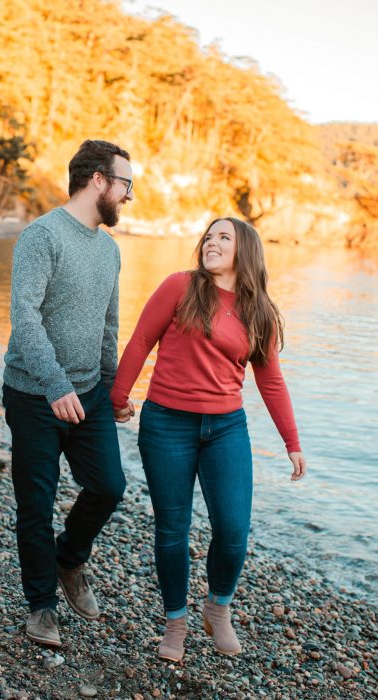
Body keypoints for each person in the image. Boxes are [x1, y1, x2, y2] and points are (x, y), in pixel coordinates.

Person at [110, 217, 307, 662]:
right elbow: (142, 340)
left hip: (226, 430)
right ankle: (175, 622)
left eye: (224, 237)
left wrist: (292, 442)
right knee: (173, 529)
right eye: (209, 236)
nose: (211, 242)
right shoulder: (180, 286)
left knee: (234, 529)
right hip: (166, 425)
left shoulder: (258, 312)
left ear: (246, 252)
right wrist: (118, 397)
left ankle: (218, 608)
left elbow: (272, 382)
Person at [2, 139, 134, 647]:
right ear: (98, 180)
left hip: (90, 393)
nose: (127, 195)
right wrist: (54, 385)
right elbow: (24, 317)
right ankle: (40, 608)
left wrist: (114, 387)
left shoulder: (110, 250)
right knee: (35, 502)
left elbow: (108, 325)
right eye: (125, 184)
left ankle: (69, 559)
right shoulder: (42, 237)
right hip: (34, 395)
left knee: (109, 486)